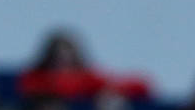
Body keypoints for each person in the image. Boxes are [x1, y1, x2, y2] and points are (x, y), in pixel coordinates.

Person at [16, 30, 151, 100]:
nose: (63, 67)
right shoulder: (35, 79)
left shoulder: (90, 79)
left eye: (68, 62)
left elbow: (140, 85)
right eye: (58, 61)